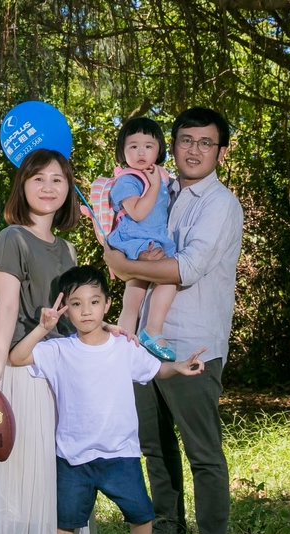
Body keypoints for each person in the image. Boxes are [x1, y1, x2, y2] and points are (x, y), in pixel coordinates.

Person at [8, 265, 207, 534]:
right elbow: (17, 357)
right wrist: (43, 328)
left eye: (94, 302)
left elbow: (155, 369)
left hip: (120, 454)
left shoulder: (123, 347)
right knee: (66, 521)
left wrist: (177, 366)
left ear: (108, 304)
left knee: (140, 514)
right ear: (66, 309)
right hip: (74, 457)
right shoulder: (59, 350)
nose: (86, 311)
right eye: (76, 304)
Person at [103, 107, 243, 534]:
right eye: (186, 140)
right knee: (156, 449)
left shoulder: (219, 203)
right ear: (173, 145)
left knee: (202, 453)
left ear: (220, 151)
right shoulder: (160, 188)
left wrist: (123, 264)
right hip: (143, 345)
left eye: (206, 142)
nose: (194, 150)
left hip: (192, 345)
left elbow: (188, 267)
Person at [0, 148, 98, 534]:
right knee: (15, 463)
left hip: (62, 370)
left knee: (62, 465)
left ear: (68, 189)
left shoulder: (68, 248)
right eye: (38, 179)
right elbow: (6, 307)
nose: (48, 187)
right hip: (23, 365)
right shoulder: (11, 239)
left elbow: (78, 313)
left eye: (58, 179)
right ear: (22, 186)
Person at [106, 117, 178, 361]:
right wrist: (155, 185)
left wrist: (158, 181)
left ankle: (124, 342)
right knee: (168, 279)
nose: (141, 152)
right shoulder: (128, 179)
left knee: (134, 294)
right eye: (133, 146)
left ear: (159, 150)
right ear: (122, 150)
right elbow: (137, 213)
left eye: (148, 146)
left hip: (152, 238)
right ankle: (152, 331)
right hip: (135, 239)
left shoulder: (161, 176)